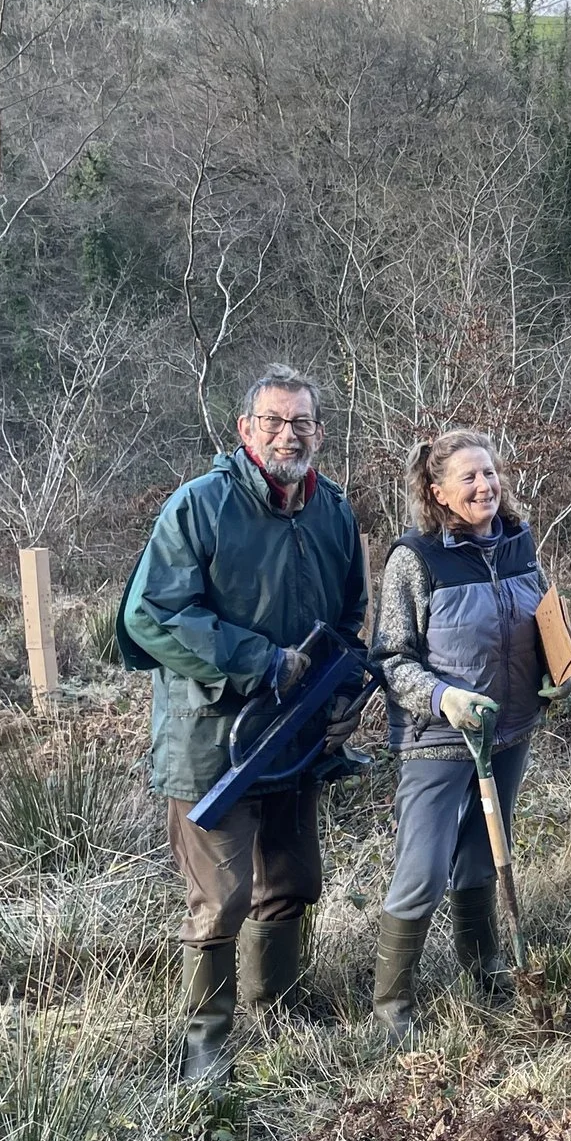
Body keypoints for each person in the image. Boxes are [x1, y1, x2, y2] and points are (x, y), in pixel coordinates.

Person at [121, 363, 366, 1085]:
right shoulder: (198, 506)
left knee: (294, 878)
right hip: (209, 739)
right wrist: (260, 660)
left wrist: (335, 687)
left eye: (301, 423)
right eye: (273, 421)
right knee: (221, 895)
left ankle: (281, 1001)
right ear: (245, 430)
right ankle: (208, 1037)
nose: (288, 434)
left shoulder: (334, 512)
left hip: (293, 736)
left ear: (320, 433)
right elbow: (150, 614)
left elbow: (348, 616)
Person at [368, 429, 552, 1032]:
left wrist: (559, 672)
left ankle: (485, 968)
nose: (485, 486)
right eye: (469, 477)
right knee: (423, 868)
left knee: (481, 857)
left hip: (509, 729)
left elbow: (546, 621)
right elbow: (391, 657)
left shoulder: (520, 545)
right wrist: (445, 698)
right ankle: (393, 1008)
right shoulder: (415, 559)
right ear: (438, 491)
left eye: (491, 474)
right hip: (440, 737)